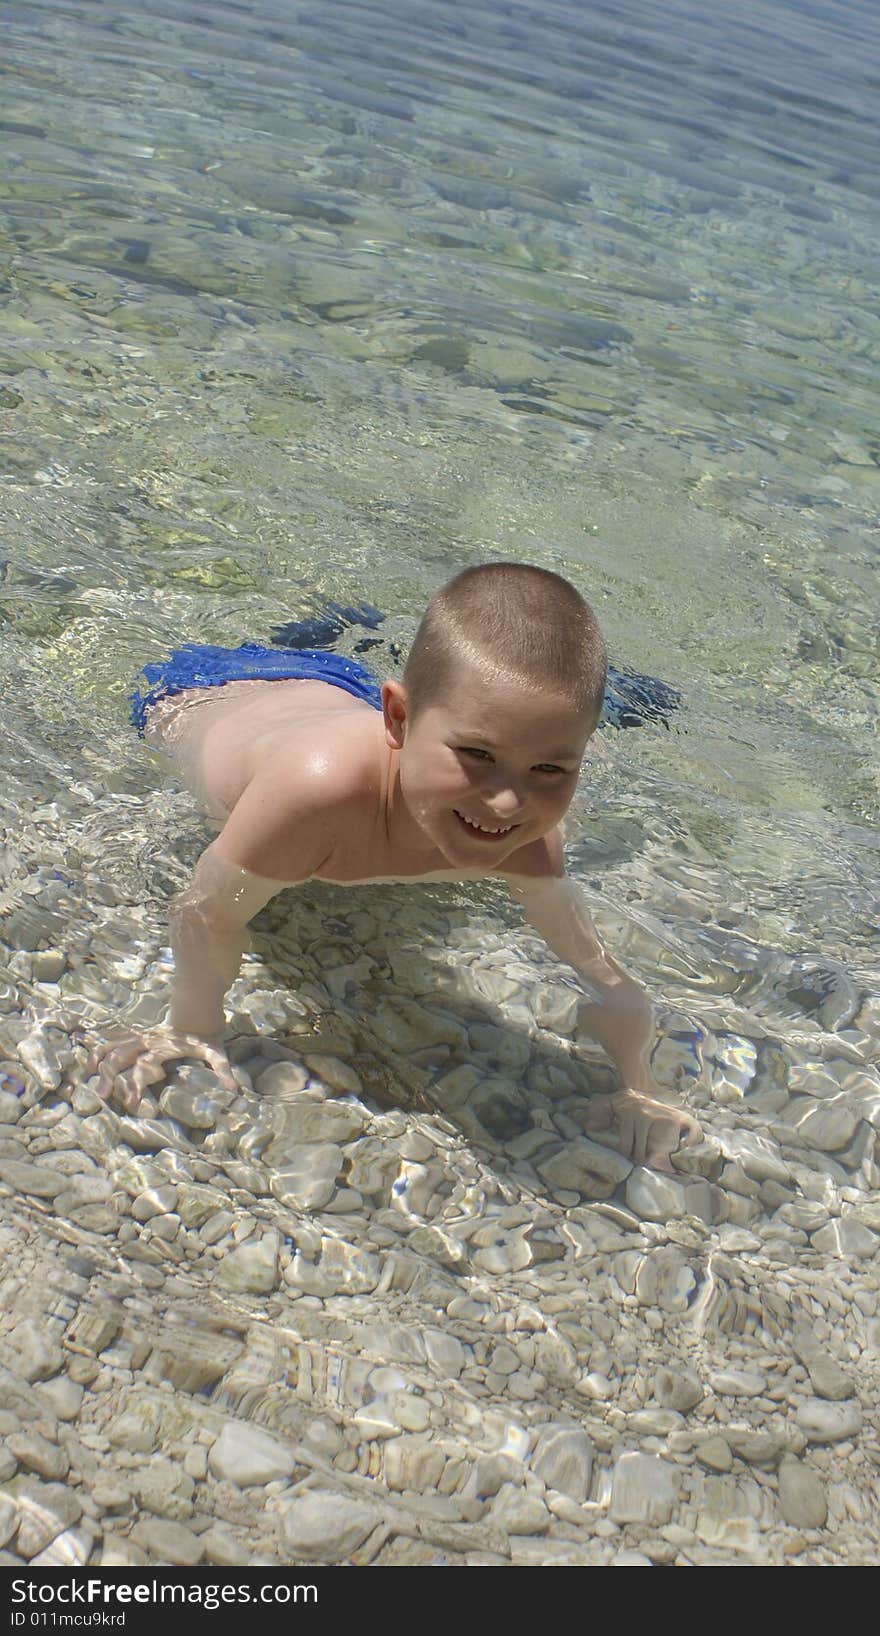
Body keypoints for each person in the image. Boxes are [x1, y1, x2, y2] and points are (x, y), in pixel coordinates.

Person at [88, 564, 702, 1170]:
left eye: (551, 768)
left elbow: (605, 977)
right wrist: (193, 1027)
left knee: (517, 699)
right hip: (217, 684)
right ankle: (336, 620)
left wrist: (639, 1086)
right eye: (477, 756)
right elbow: (207, 913)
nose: (508, 801)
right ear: (399, 722)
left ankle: (592, 700)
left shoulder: (526, 827)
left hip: (355, 697)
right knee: (322, 641)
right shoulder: (313, 795)